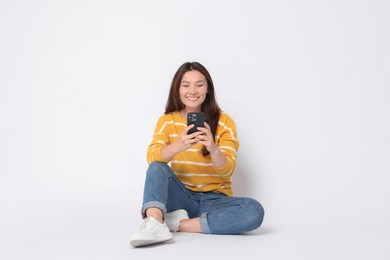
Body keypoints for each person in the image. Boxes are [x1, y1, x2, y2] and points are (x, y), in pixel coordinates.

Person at [129, 61, 265, 247]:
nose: (192, 91)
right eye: (186, 85)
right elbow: (152, 157)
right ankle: (154, 223)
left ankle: (177, 224)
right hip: (181, 197)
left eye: (199, 85)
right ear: (177, 89)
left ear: (208, 88)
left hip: (216, 200)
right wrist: (179, 145)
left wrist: (212, 147)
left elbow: (228, 170)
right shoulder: (167, 120)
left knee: (254, 211)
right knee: (156, 167)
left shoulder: (225, 122)